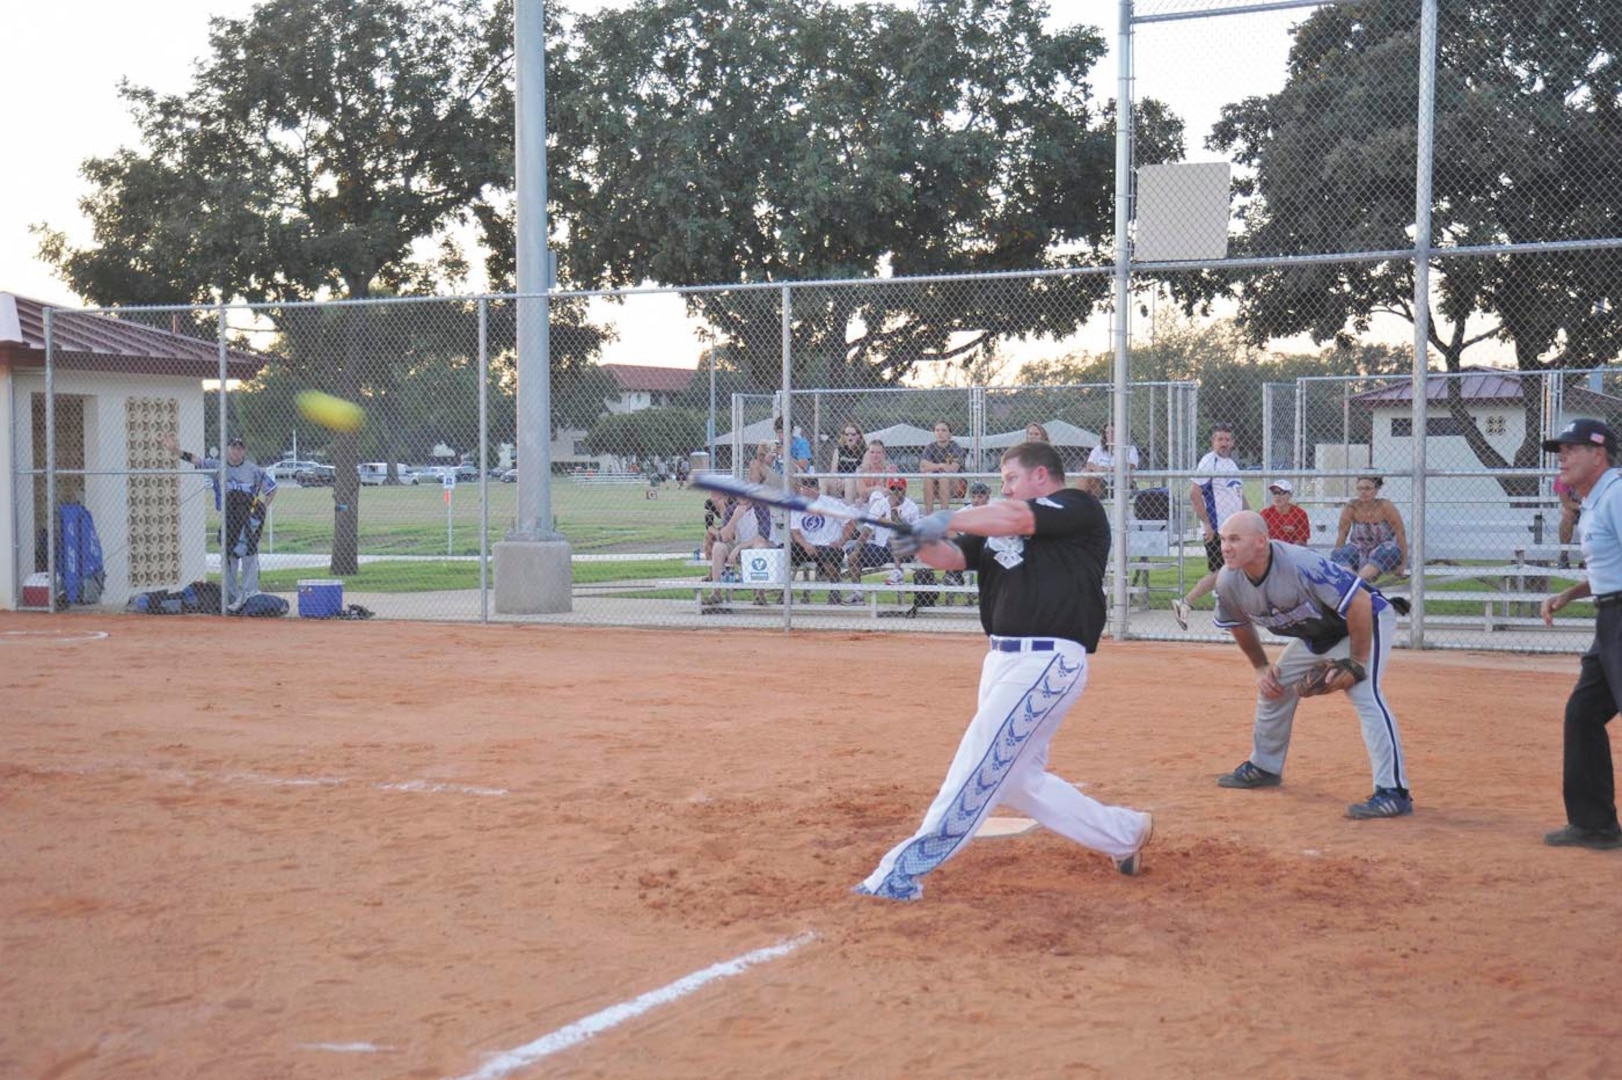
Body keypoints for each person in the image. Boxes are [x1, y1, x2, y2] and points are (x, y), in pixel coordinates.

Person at [853, 441, 1155, 901]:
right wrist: (916, 541)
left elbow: (1015, 518)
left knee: (978, 760)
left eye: (1011, 478)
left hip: (1047, 660)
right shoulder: (996, 526)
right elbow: (953, 557)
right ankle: (1123, 833)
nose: (1005, 487)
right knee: (1017, 779)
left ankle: (900, 870)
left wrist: (945, 517)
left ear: (1040, 475)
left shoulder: (1078, 507)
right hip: (1000, 659)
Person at [1210, 510, 1414, 819]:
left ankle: (1393, 792)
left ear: (1262, 541)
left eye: (1235, 539)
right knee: (1274, 686)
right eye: (1224, 539)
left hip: (1364, 621)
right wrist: (1261, 667)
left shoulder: (1300, 564)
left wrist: (1356, 663)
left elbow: (1358, 602)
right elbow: (1237, 623)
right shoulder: (1229, 579)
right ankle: (1264, 766)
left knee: (1364, 695)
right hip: (1317, 633)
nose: (1225, 547)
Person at [1537, 419, 1622, 849]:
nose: (1562, 457)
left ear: (1599, 454)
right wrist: (1569, 594)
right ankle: (1594, 823)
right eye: (1560, 450)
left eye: (1571, 449)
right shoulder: (1596, 500)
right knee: (1583, 712)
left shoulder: (1618, 494)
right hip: (1610, 619)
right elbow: (1609, 567)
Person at [162, 431, 276, 613]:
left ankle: (249, 594)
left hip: (247, 520)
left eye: (240, 448)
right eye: (233, 448)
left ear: (244, 451)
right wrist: (175, 450)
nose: (236, 451)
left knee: (249, 555)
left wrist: (262, 509)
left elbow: (271, 489)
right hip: (229, 518)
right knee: (229, 556)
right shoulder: (218, 466)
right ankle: (232, 596)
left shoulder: (253, 470)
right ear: (228, 449)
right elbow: (196, 460)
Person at [1173, 423, 1247, 630]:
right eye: (1219, 439)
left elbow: (1239, 495)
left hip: (1234, 530)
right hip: (1218, 529)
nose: (1224, 443)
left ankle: (1223, 617)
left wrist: (1251, 519)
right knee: (1222, 572)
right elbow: (1194, 494)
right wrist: (1207, 524)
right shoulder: (1209, 462)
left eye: (1227, 439)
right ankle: (1187, 604)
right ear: (1213, 441)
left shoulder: (1231, 464)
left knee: (1231, 572)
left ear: (1232, 442)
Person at [847, 477, 919, 597]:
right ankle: (857, 593)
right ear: (888, 490)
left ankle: (897, 573)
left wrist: (897, 521)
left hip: (906, 550)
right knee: (853, 551)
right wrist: (856, 550)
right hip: (882, 549)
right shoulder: (880, 505)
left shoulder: (911, 507)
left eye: (899, 488)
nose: (896, 491)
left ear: (905, 490)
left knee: (895, 536)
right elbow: (867, 530)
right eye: (892, 488)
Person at [788, 475, 854, 604]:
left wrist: (841, 542)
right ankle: (785, 593)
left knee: (830, 556)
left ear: (817, 488)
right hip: (805, 546)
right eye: (804, 487)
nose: (806, 490)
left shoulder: (831, 503)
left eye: (810, 487)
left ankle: (834, 590)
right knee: (785, 552)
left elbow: (850, 523)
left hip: (828, 546)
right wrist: (805, 545)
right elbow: (794, 532)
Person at [1330, 475, 1408, 583]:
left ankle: (1357, 582)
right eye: (1360, 488)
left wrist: (1403, 563)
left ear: (1376, 490)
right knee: (1341, 553)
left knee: (1389, 552)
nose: (1363, 492)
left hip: (1382, 549)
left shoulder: (1385, 506)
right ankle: (1351, 580)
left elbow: (1400, 533)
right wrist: (1338, 554)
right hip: (1359, 549)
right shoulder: (1352, 507)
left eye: (1367, 488)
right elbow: (1342, 534)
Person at [919, 420, 966, 515]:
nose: (940, 433)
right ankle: (929, 516)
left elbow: (953, 468)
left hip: (956, 487)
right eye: (937, 430)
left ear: (950, 434)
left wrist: (932, 467)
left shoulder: (955, 447)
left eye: (944, 430)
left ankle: (943, 516)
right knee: (928, 477)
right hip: (936, 487)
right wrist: (940, 465)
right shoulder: (930, 447)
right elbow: (923, 468)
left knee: (944, 478)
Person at [1085, 423, 1139, 491]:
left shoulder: (1130, 448)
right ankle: (1079, 498)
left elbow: (1131, 465)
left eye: (1113, 432)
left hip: (1122, 481)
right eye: (1107, 433)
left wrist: (1110, 469)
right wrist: (1097, 468)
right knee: (1085, 472)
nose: (1110, 435)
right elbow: (1089, 464)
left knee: (1124, 477)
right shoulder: (1098, 448)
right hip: (1102, 482)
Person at [1260, 479, 1311, 546]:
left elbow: (1302, 541)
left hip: (1291, 550)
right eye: (1275, 493)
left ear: (1290, 495)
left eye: (1282, 493)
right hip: (1271, 549)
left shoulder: (1300, 514)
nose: (1277, 496)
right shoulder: (1266, 513)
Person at [826, 423, 867, 501]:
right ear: (844, 436)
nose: (850, 437)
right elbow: (833, 470)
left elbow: (862, 470)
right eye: (847, 434)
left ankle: (848, 508)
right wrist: (837, 479)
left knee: (849, 481)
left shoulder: (864, 451)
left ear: (859, 436)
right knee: (823, 480)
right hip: (839, 481)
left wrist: (846, 480)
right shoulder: (839, 450)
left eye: (853, 434)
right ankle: (822, 509)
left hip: (855, 481)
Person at [1556, 475, 1582, 570]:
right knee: (1567, 515)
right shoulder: (1563, 477)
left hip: (1591, 508)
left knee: (1594, 517)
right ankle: (1564, 555)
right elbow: (1566, 503)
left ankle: (1588, 559)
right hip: (1575, 508)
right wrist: (1582, 506)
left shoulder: (1591, 474)